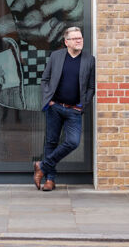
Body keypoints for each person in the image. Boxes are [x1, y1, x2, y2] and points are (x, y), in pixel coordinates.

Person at [33, 26, 95, 192]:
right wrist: (49, 101)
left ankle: (42, 165)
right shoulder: (56, 56)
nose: (79, 40)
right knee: (51, 142)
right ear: (66, 42)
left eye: (80, 37)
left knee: (73, 142)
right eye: (75, 38)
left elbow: (91, 87)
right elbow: (45, 79)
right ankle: (50, 180)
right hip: (55, 107)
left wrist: (82, 105)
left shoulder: (89, 59)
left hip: (74, 110)